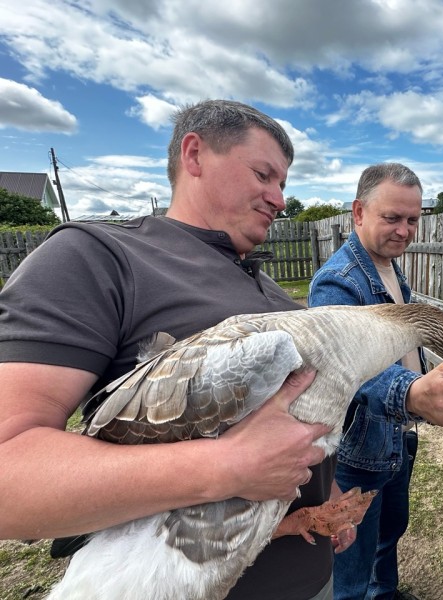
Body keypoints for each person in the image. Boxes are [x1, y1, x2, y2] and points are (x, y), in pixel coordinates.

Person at [0, 99, 357, 600]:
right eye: (264, 174)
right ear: (194, 155)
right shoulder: (96, 258)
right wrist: (226, 468)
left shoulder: (271, 291)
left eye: (283, 184)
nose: (278, 198)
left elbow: (289, 422)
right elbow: (8, 473)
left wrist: (325, 489)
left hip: (315, 581)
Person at [307, 162, 443, 600]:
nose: (405, 230)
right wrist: (412, 391)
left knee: (388, 534)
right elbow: (343, 371)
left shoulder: (391, 267)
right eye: (392, 218)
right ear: (358, 213)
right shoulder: (338, 284)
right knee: (351, 565)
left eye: (412, 219)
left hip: (396, 436)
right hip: (358, 450)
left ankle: (385, 595)